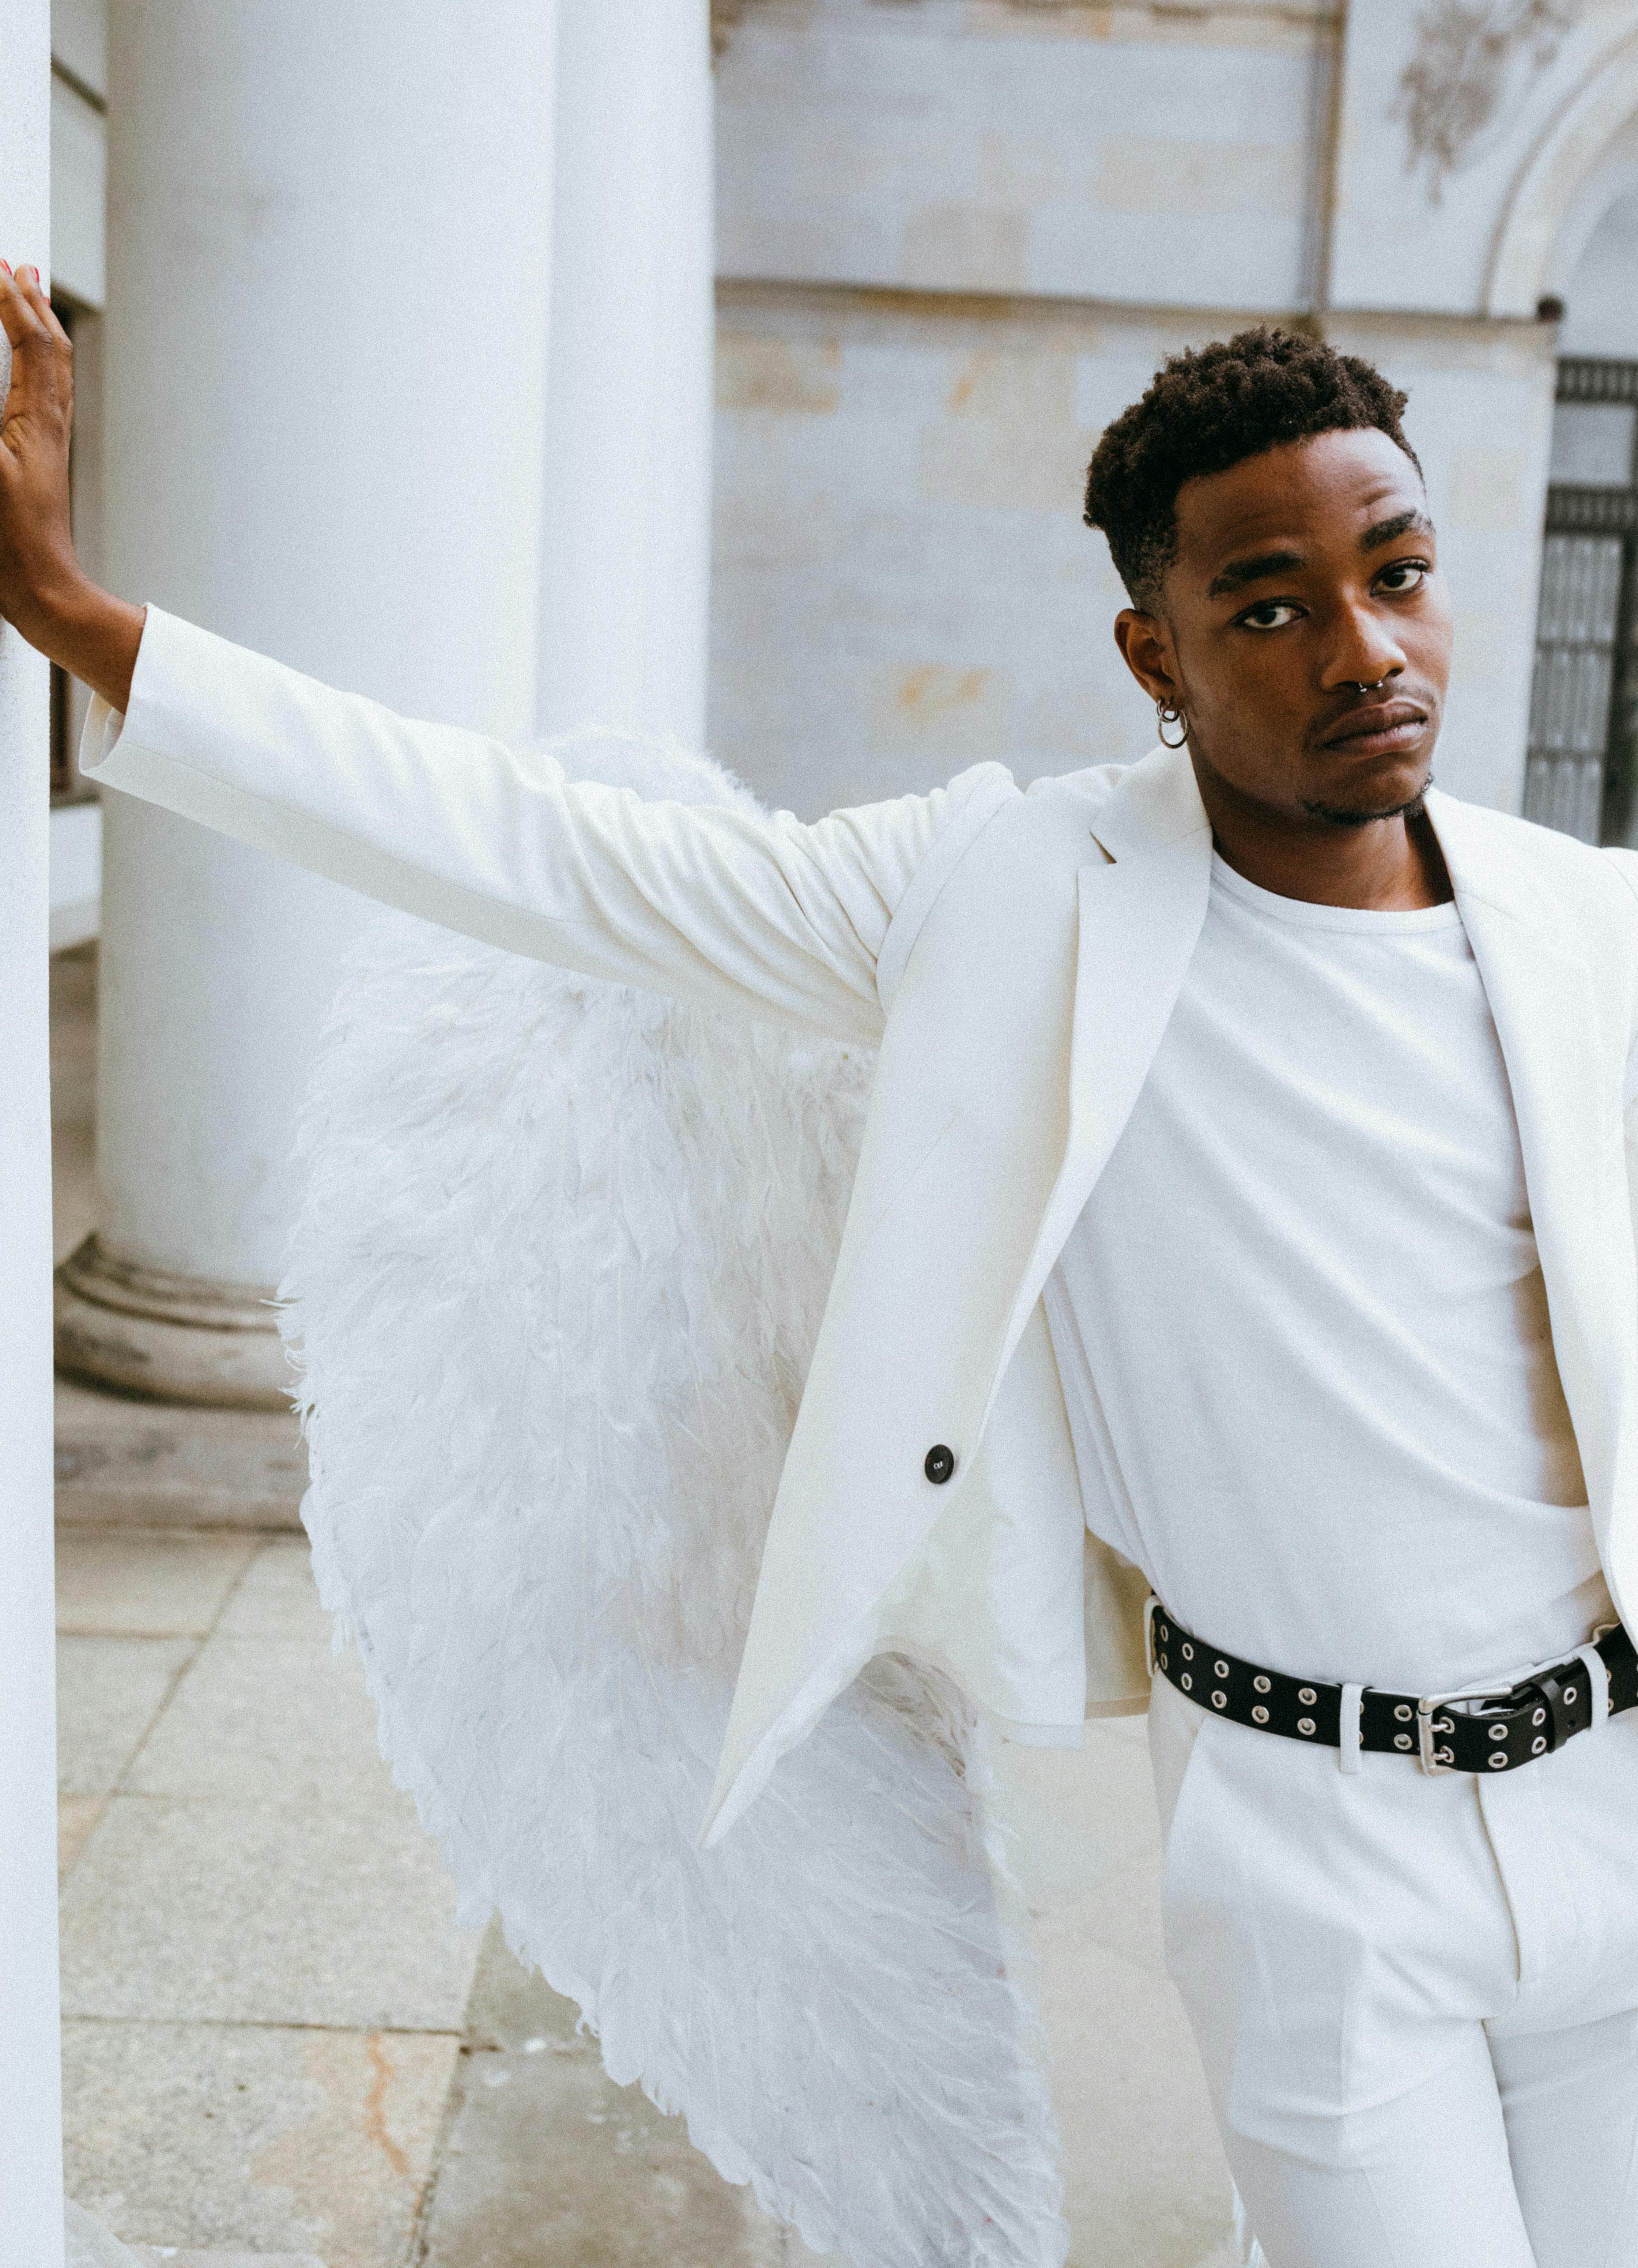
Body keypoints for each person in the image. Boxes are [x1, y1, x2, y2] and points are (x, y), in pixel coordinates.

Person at [4, 260, 1638, 2268]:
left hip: (1618, 1801)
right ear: (1158, 649)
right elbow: (546, 851)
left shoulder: (1590, 932)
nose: (1365, 648)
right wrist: (80, 618)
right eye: (1273, 607)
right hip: (1317, 1860)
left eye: (1399, 573)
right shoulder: (1011, 896)